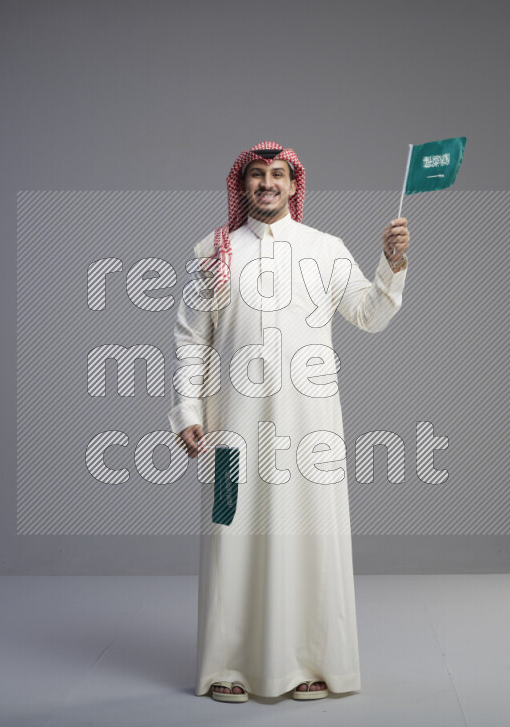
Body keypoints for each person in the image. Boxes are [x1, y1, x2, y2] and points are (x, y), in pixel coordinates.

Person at [167, 141, 410, 703]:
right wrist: (186, 410)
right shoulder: (213, 250)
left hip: (311, 432)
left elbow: (369, 314)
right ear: (243, 185)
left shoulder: (325, 249)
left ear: (295, 185)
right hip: (231, 427)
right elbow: (189, 338)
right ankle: (229, 666)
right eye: (257, 175)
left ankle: (307, 663)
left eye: (278, 175)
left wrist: (392, 266)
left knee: (309, 541)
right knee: (231, 538)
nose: (268, 184)